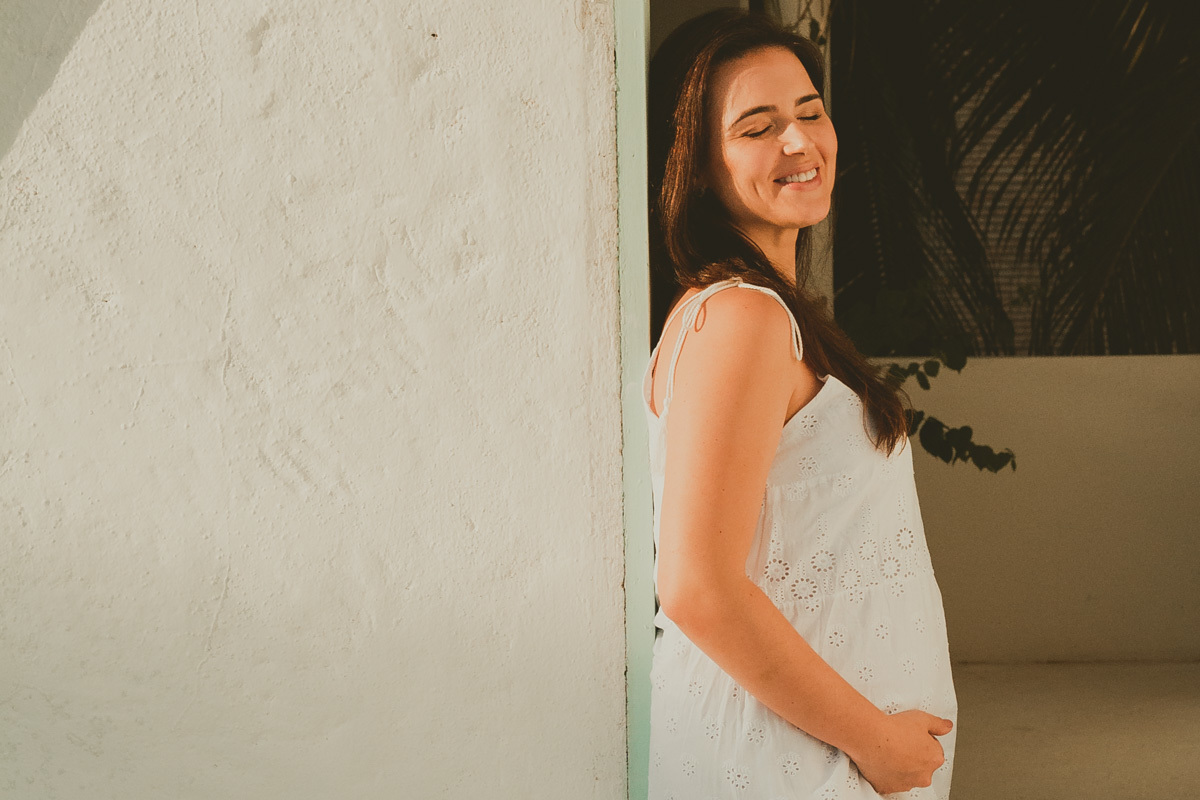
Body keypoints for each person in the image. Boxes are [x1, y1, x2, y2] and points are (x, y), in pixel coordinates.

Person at [643, 10, 957, 798]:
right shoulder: (742, 319)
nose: (798, 142)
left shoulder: (759, 314)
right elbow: (697, 589)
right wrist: (877, 742)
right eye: (757, 127)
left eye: (809, 113)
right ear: (698, 164)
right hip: (788, 762)